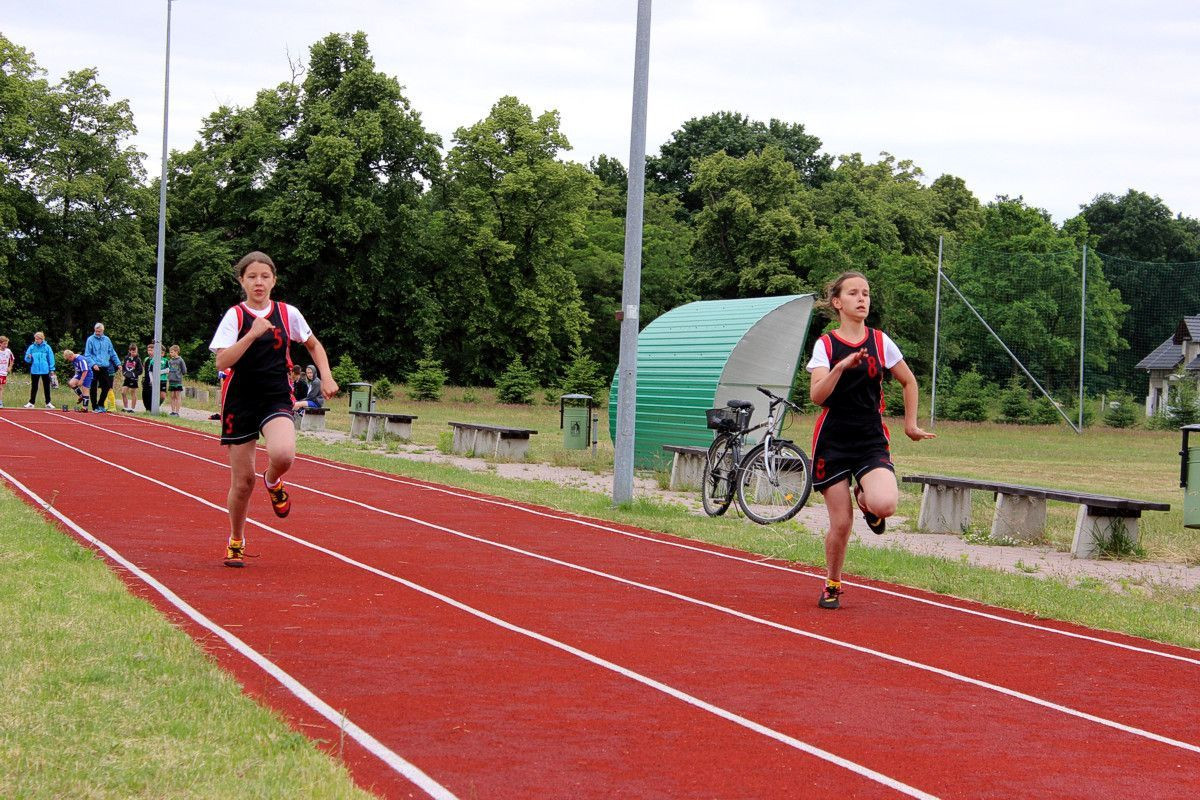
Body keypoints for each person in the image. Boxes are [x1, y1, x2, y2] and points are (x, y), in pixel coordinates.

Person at [806, 271, 935, 610]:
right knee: (842, 523)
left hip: (869, 437)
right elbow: (817, 396)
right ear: (838, 302)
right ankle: (832, 583)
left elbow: (909, 382)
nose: (862, 299)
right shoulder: (826, 345)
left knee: (886, 505)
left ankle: (865, 499)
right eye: (853, 293)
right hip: (833, 440)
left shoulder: (880, 341)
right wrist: (840, 367)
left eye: (866, 293)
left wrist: (910, 424)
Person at [209, 251, 338, 567]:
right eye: (252, 276)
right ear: (242, 281)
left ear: (273, 280)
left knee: (283, 455)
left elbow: (313, 345)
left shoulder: (287, 313)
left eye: (264, 276)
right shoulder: (235, 317)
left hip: (276, 396)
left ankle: (272, 480)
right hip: (240, 400)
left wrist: (327, 375)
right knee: (242, 483)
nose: (258, 282)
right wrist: (252, 334)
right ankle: (236, 540)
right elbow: (222, 361)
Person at [83, 322, 120, 413]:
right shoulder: (90, 340)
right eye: (96, 331)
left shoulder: (107, 340)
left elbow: (112, 353)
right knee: (93, 387)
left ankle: (100, 404)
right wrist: (93, 364)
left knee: (107, 386)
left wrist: (118, 363)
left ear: (103, 331)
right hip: (94, 367)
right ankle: (95, 406)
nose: (97, 333)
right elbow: (87, 355)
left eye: (99, 331)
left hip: (104, 367)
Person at [23, 332, 55, 409]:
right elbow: (27, 359)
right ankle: (31, 402)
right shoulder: (31, 347)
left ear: (42, 339)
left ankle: (48, 403)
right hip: (35, 369)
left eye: (38, 339)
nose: (36, 340)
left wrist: (52, 369)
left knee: (46, 387)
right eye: (35, 339)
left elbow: (51, 358)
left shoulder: (47, 347)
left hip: (45, 370)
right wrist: (29, 357)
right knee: (34, 386)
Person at [141, 342, 167, 413]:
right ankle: (148, 410)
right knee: (146, 396)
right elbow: (145, 369)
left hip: (159, 380)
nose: (149, 352)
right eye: (148, 350)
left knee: (161, 396)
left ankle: (155, 408)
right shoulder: (146, 359)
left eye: (151, 350)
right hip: (147, 380)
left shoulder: (160, 360)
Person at [119, 343, 142, 412]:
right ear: (129, 351)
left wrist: (133, 374)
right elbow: (123, 367)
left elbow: (140, 370)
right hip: (127, 378)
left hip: (133, 378)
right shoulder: (126, 358)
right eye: (132, 351)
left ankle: (132, 408)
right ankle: (126, 407)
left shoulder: (138, 359)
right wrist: (124, 373)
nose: (134, 353)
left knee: (133, 392)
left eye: (135, 351)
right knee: (123, 392)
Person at [166, 344, 188, 416]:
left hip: (178, 381)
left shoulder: (180, 360)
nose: (170, 353)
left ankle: (177, 412)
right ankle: (172, 411)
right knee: (172, 396)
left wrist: (179, 374)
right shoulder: (170, 361)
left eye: (172, 352)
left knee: (177, 396)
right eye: (170, 352)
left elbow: (184, 370)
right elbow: (168, 369)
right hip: (171, 380)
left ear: (176, 352)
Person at [0, 335, 14, 408]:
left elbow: (12, 359)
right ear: (0, 343)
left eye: (6, 344)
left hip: (3, 372)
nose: (6, 345)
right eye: (4, 344)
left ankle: (0, 402)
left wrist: (10, 367)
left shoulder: (8, 351)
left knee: (1, 387)